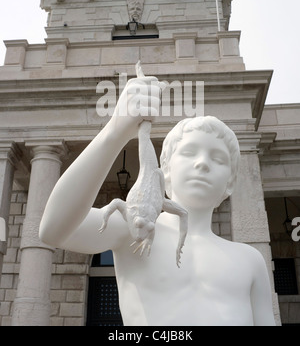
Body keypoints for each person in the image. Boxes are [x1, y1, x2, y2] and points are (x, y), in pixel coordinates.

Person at [39, 73, 276, 326]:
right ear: (166, 168)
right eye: (189, 152)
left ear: (230, 181)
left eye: (217, 159)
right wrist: (115, 131)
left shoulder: (250, 260)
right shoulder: (132, 228)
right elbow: (53, 230)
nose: (202, 164)